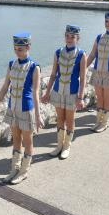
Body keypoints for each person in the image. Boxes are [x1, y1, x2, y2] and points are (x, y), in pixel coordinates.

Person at [0, 33, 42, 184]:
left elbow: (35, 92)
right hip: (12, 108)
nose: (17, 52)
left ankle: (24, 171)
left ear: (28, 47)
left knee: (27, 141)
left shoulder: (34, 67)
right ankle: (14, 169)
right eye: (15, 49)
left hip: (26, 108)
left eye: (20, 49)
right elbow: (5, 86)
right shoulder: (11, 64)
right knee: (16, 140)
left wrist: (38, 116)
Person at [41, 25, 87, 159]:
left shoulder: (81, 54)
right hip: (58, 91)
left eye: (72, 36)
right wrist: (47, 92)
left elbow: (83, 78)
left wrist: (81, 97)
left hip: (72, 92)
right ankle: (59, 145)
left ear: (78, 38)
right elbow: (53, 74)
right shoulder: (57, 52)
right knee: (60, 119)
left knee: (70, 120)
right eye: (67, 36)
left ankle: (67, 146)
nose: (69, 39)